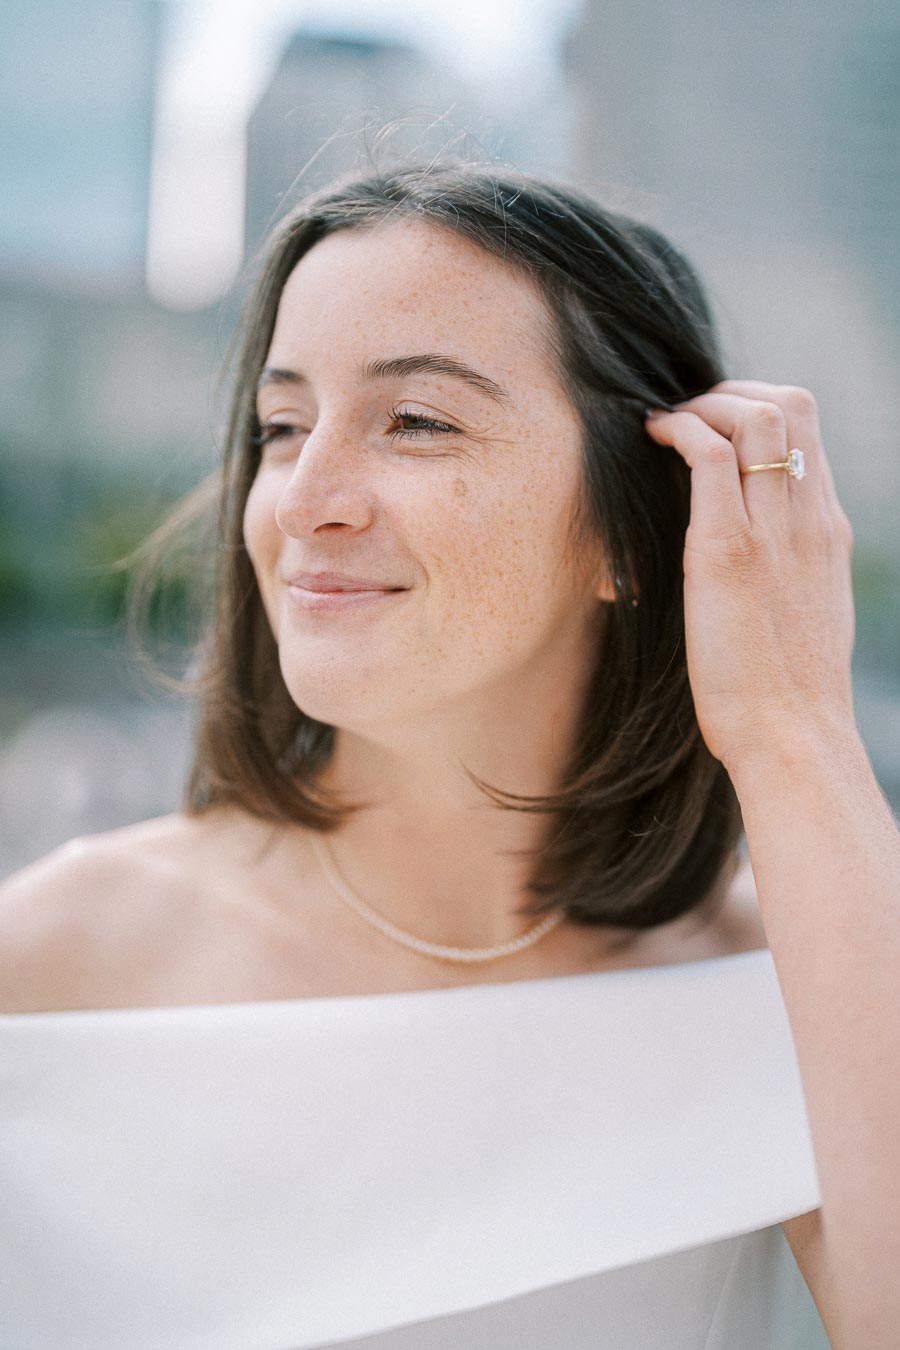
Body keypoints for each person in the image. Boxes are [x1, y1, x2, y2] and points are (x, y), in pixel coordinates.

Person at [1, 160, 899, 1349]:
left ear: (634, 528)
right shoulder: (55, 956)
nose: (303, 500)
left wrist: (796, 733)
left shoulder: (793, 974)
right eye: (282, 427)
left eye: (417, 421)